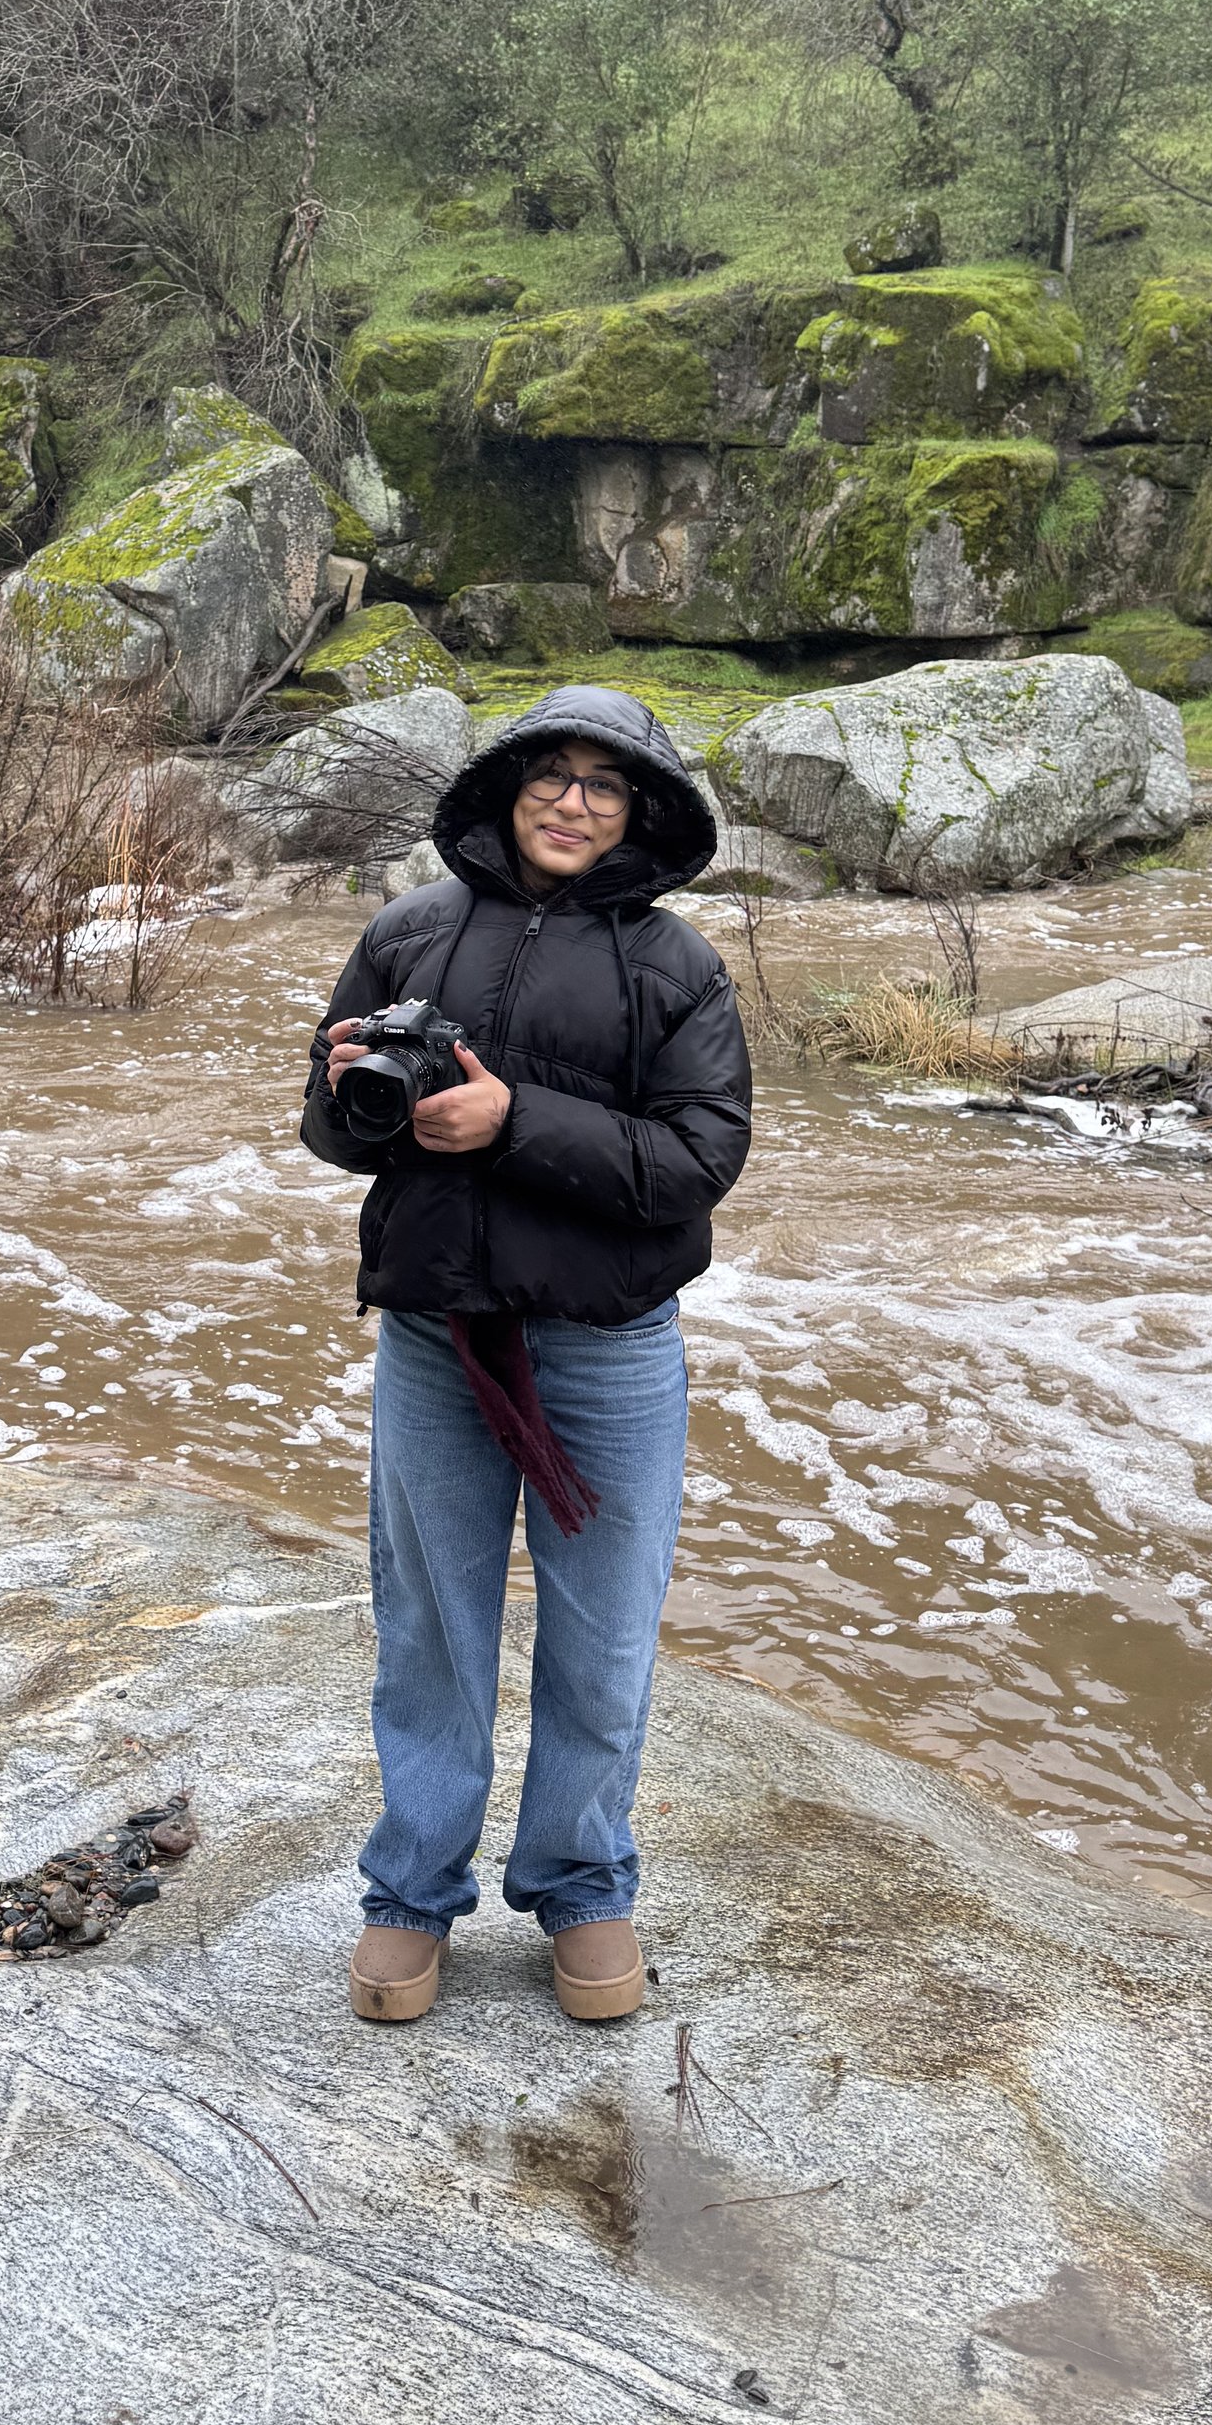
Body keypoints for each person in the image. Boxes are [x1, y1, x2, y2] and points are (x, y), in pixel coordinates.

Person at [300, 686, 752, 2026]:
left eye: (603, 785)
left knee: (603, 1639)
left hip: (609, 1351)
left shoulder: (677, 968)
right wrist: (345, 1094)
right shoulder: (407, 932)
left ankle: (582, 1878)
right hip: (441, 1340)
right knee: (429, 1627)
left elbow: (698, 1161)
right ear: (506, 789)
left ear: (640, 814)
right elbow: (334, 1138)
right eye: (549, 775)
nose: (570, 802)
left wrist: (513, 1120)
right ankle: (410, 1893)